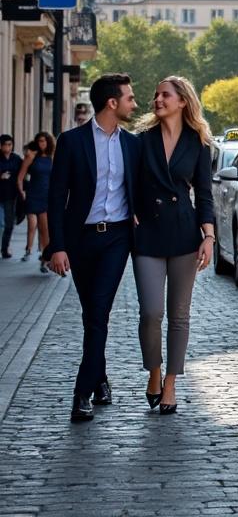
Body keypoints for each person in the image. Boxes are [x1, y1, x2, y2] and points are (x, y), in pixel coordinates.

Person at [47, 73, 141, 423]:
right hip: (80, 239)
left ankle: (82, 392)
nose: (135, 103)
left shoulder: (133, 144)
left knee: (99, 310)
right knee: (92, 314)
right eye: (130, 98)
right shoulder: (71, 142)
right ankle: (100, 377)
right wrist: (57, 246)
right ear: (112, 103)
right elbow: (56, 198)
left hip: (116, 238)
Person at [132, 77, 215, 416]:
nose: (157, 99)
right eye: (155, 95)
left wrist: (208, 237)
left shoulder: (198, 142)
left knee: (179, 316)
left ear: (182, 101)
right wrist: (131, 214)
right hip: (148, 235)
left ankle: (170, 382)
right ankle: (153, 370)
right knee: (151, 312)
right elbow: (129, 184)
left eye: (164, 95)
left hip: (184, 234)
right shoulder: (141, 141)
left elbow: (205, 195)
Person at [16, 132, 55, 266]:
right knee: (32, 224)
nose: (41, 144)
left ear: (48, 142)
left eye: (44, 141)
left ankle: (45, 259)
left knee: (45, 230)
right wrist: (22, 192)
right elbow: (20, 177)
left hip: (46, 195)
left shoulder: (52, 158)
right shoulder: (31, 156)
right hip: (32, 194)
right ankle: (28, 249)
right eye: (39, 141)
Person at [0, 134, 20, 259]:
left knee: (9, 224)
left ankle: (4, 249)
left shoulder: (16, 158)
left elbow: (25, 169)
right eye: (5, 145)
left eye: (10, 144)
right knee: (1, 224)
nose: (8, 147)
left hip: (10, 196)